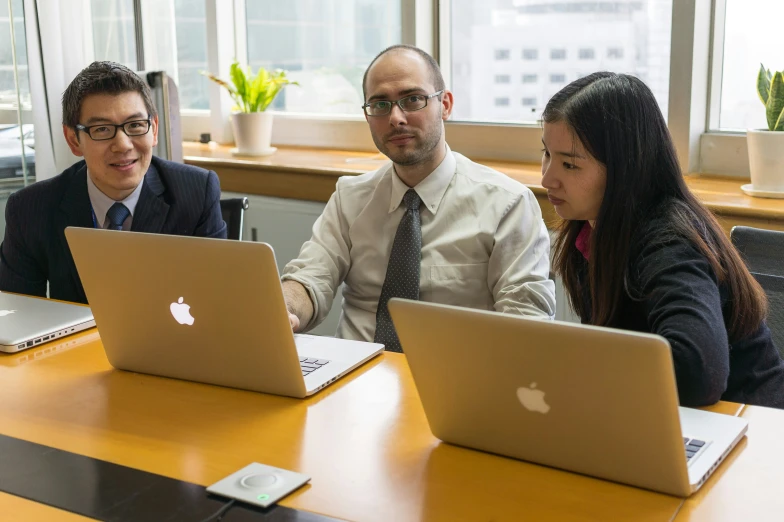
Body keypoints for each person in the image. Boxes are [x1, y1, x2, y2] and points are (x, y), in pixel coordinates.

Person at [281, 45, 555, 352]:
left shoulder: (507, 204)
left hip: (453, 383)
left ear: (445, 105)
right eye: (380, 104)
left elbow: (525, 322)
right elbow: (309, 278)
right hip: (354, 378)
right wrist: (285, 309)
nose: (396, 117)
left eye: (412, 99)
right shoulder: (350, 198)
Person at [541, 71, 784, 408]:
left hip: (747, 425)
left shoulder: (670, 241)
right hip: (668, 416)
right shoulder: (590, 232)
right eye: (547, 155)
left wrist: (582, 369)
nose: (547, 178)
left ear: (625, 168)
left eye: (569, 164)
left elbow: (698, 373)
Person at [0, 61, 227, 304]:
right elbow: (17, 314)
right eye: (102, 129)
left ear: (154, 129)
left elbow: (216, 302)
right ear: (73, 140)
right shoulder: (30, 209)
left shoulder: (196, 192)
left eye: (136, 125)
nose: (123, 145)